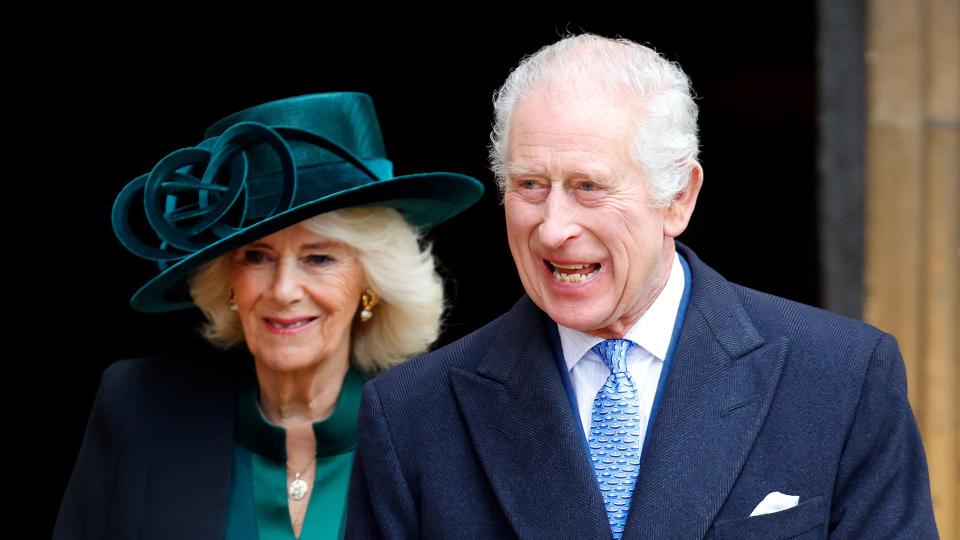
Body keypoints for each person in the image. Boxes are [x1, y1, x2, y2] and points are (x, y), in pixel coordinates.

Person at [347, 35, 938, 538]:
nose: (553, 229)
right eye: (529, 184)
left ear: (678, 197)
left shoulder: (842, 377)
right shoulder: (412, 416)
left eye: (588, 186)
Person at [54, 92, 483, 539]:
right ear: (228, 283)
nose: (282, 291)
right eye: (257, 257)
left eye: (319, 258)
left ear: (370, 283)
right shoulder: (136, 409)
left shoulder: (441, 434)